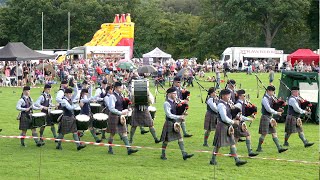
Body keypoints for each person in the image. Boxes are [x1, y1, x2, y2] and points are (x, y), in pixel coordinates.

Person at [210, 89, 247, 166]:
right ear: (223, 96)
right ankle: (213, 159)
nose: (229, 97)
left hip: (228, 126)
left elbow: (230, 113)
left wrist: (237, 117)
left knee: (232, 142)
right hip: (222, 125)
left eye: (230, 95)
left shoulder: (227, 103)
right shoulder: (221, 105)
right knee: (218, 145)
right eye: (228, 95)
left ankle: (237, 160)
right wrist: (233, 122)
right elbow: (224, 118)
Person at [160, 87, 194, 160]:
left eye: (176, 93)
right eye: (174, 93)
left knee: (180, 138)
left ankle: (184, 154)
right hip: (169, 123)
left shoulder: (176, 101)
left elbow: (182, 104)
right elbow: (169, 114)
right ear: (169, 94)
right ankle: (163, 154)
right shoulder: (166, 103)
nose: (176, 95)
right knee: (166, 140)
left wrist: (184, 111)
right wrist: (179, 116)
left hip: (175, 123)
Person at [107, 82, 138, 155]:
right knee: (112, 134)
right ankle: (110, 149)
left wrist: (127, 109)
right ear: (116, 88)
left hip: (121, 116)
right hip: (114, 117)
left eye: (121, 88)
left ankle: (129, 149)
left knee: (124, 132)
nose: (121, 89)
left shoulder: (121, 95)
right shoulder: (112, 96)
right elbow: (111, 108)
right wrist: (121, 113)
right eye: (120, 88)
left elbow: (122, 106)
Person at [256, 86, 287, 153]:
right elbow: (268, 109)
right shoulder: (265, 99)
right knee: (264, 134)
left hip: (270, 117)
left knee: (274, 133)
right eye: (272, 91)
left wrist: (279, 109)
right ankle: (259, 147)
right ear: (268, 91)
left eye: (273, 91)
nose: (273, 93)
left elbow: (273, 106)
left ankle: (279, 148)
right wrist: (277, 113)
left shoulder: (271, 98)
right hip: (265, 117)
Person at [233, 90, 258, 157]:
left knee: (237, 138)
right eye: (244, 96)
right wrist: (248, 119)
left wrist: (251, 115)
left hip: (240, 122)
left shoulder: (243, 103)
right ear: (240, 96)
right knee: (241, 137)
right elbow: (238, 115)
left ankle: (232, 152)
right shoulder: (238, 104)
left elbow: (244, 112)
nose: (245, 97)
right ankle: (249, 152)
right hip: (238, 122)